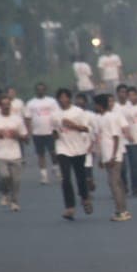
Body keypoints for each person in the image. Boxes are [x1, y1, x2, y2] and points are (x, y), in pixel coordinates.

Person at [53, 88, 93, 220]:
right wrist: (54, 135)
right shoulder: (55, 115)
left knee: (80, 176)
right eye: (60, 98)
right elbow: (54, 132)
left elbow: (86, 128)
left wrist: (72, 125)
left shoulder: (78, 112)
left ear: (69, 98)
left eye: (65, 97)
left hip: (78, 148)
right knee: (65, 178)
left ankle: (85, 198)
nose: (63, 100)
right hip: (62, 148)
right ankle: (69, 207)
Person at [0, 94, 29, 213]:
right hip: (0, 153)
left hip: (15, 153)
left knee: (16, 180)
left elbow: (25, 137)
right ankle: (5, 192)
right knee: (5, 176)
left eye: (8, 104)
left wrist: (18, 136)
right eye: (3, 105)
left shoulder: (17, 119)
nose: (6, 107)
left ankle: (14, 202)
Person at [95, 94, 132, 222]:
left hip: (114, 155)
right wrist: (101, 157)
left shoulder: (111, 118)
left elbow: (116, 137)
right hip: (106, 155)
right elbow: (100, 139)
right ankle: (121, 209)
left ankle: (122, 211)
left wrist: (113, 156)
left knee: (114, 183)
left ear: (100, 105)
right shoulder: (99, 119)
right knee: (116, 183)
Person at [25, 82, 60, 184]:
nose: (40, 91)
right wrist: (28, 131)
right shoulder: (31, 103)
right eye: (38, 89)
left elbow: (57, 115)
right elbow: (28, 118)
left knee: (53, 152)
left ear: (45, 90)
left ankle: (56, 167)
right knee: (41, 155)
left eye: (42, 89)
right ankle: (44, 176)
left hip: (50, 131)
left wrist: (56, 129)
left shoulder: (51, 101)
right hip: (37, 133)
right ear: (36, 91)